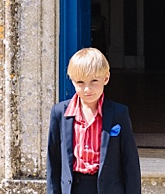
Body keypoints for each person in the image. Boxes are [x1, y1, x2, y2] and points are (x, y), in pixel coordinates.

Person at [46, 48, 141, 194]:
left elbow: (130, 162)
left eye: (94, 81)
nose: (87, 89)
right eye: (80, 82)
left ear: (106, 78)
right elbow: (54, 161)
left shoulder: (118, 113)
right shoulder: (60, 113)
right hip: (74, 187)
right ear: (72, 81)